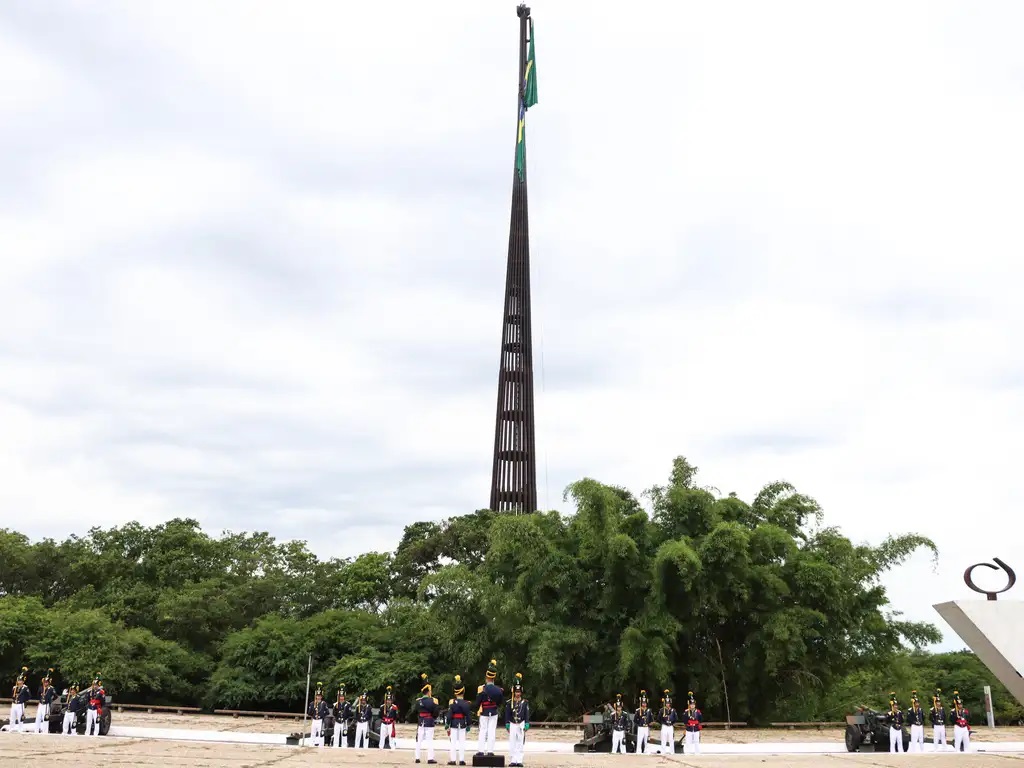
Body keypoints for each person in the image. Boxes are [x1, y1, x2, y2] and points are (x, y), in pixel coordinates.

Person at [474, 659, 504, 757]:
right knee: (492, 732)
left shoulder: (482, 689)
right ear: (494, 678)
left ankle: (481, 751)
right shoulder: (498, 690)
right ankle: (490, 751)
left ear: (487, 677)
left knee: (483, 731)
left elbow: (478, 703)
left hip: (484, 712)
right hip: (493, 712)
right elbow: (500, 702)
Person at [504, 673, 529, 768]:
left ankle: (519, 760)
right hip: (513, 724)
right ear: (513, 692)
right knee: (512, 742)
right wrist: (507, 723)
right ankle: (513, 760)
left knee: (520, 743)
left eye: (519, 692)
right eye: (516, 692)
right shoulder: (509, 703)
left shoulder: (525, 702)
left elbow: (526, 714)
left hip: (521, 724)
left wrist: (527, 723)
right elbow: (507, 714)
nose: (517, 694)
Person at [445, 674, 471, 766]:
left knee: (453, 742)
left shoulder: (452, 703)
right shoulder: (466, 703)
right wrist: (468, 725)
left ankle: (452, 760)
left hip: (454, 723)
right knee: (462, 743)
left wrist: (447, 724)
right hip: (462, 723)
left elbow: (449, 715)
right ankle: (461, 760)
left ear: (455, 692)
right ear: (463, 692)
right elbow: (468, 715)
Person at [416, 673, 439, 765]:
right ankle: (430, 758)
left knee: (419, 740)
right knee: (429, 740)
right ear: (428, 691)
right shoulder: (433, 701)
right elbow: (436, 712)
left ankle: (417, 757)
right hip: (429, 721)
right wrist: (433, 717)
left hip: (421, 721)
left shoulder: (419, 701)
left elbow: (417, 710)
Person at [34, 668, 58, 734]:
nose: (45, 683)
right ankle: (36, 730)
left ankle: (45, 731)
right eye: (44, 682)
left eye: (47, 682)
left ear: (49, 682)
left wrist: (50, 700)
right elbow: (38, 694)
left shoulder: (51, 688)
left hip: (46, 705)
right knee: (38, 717)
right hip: (41, 703)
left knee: (45, 718)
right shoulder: (41, 688)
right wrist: (40, 700)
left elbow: (56, 696)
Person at [306, 682, 329, 747]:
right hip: (314, 719)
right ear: (316, 696)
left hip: (320, 720)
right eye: (317, 696)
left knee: (321, 733)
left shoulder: (323, 703)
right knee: (313, 732)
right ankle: (311, 744)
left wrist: (322, 715)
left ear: (321, 697)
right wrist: (313, 711)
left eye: (320, 696)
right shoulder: (312, 703)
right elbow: (309, 712)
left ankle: (321, 745)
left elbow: (327, 712)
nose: (318, 697)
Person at [658, 689, 677, 754]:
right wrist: (663, 723)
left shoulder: (673, 710)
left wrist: (672, 723)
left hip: (670, 726)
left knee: (671, 739)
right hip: (664, 726)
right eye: (666, 703)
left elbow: (675, 718)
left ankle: (672, 752)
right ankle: (663, 751)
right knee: (663, 739)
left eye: (668, 703)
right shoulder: (661, 710)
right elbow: (659, 718)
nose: (667, 704)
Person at [633, 689, 653, 754]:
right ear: (641, 703)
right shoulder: (638, 710)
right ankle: (638, 751)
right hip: (641, 727)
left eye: (645, 703)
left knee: (646, 740)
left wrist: (649, 724)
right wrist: (639, 723)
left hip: (646, 727)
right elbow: (635, 719)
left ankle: (646, 750)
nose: (644, 704)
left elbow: (650, 719)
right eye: (643, 703)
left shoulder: (649, 710)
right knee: (639, 739)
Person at [380, 685, 399, 749]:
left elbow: (396, 716)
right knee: (382, 736)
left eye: (390, 700)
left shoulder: (394, 707)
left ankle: (392, 747)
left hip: (390, 723)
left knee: (391, 737)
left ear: (392, 701)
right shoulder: (382, 707)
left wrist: (394, 720)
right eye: (387, 700)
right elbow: (380, 715)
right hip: (384, 723)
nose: (388, 701)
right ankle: (381, 747)